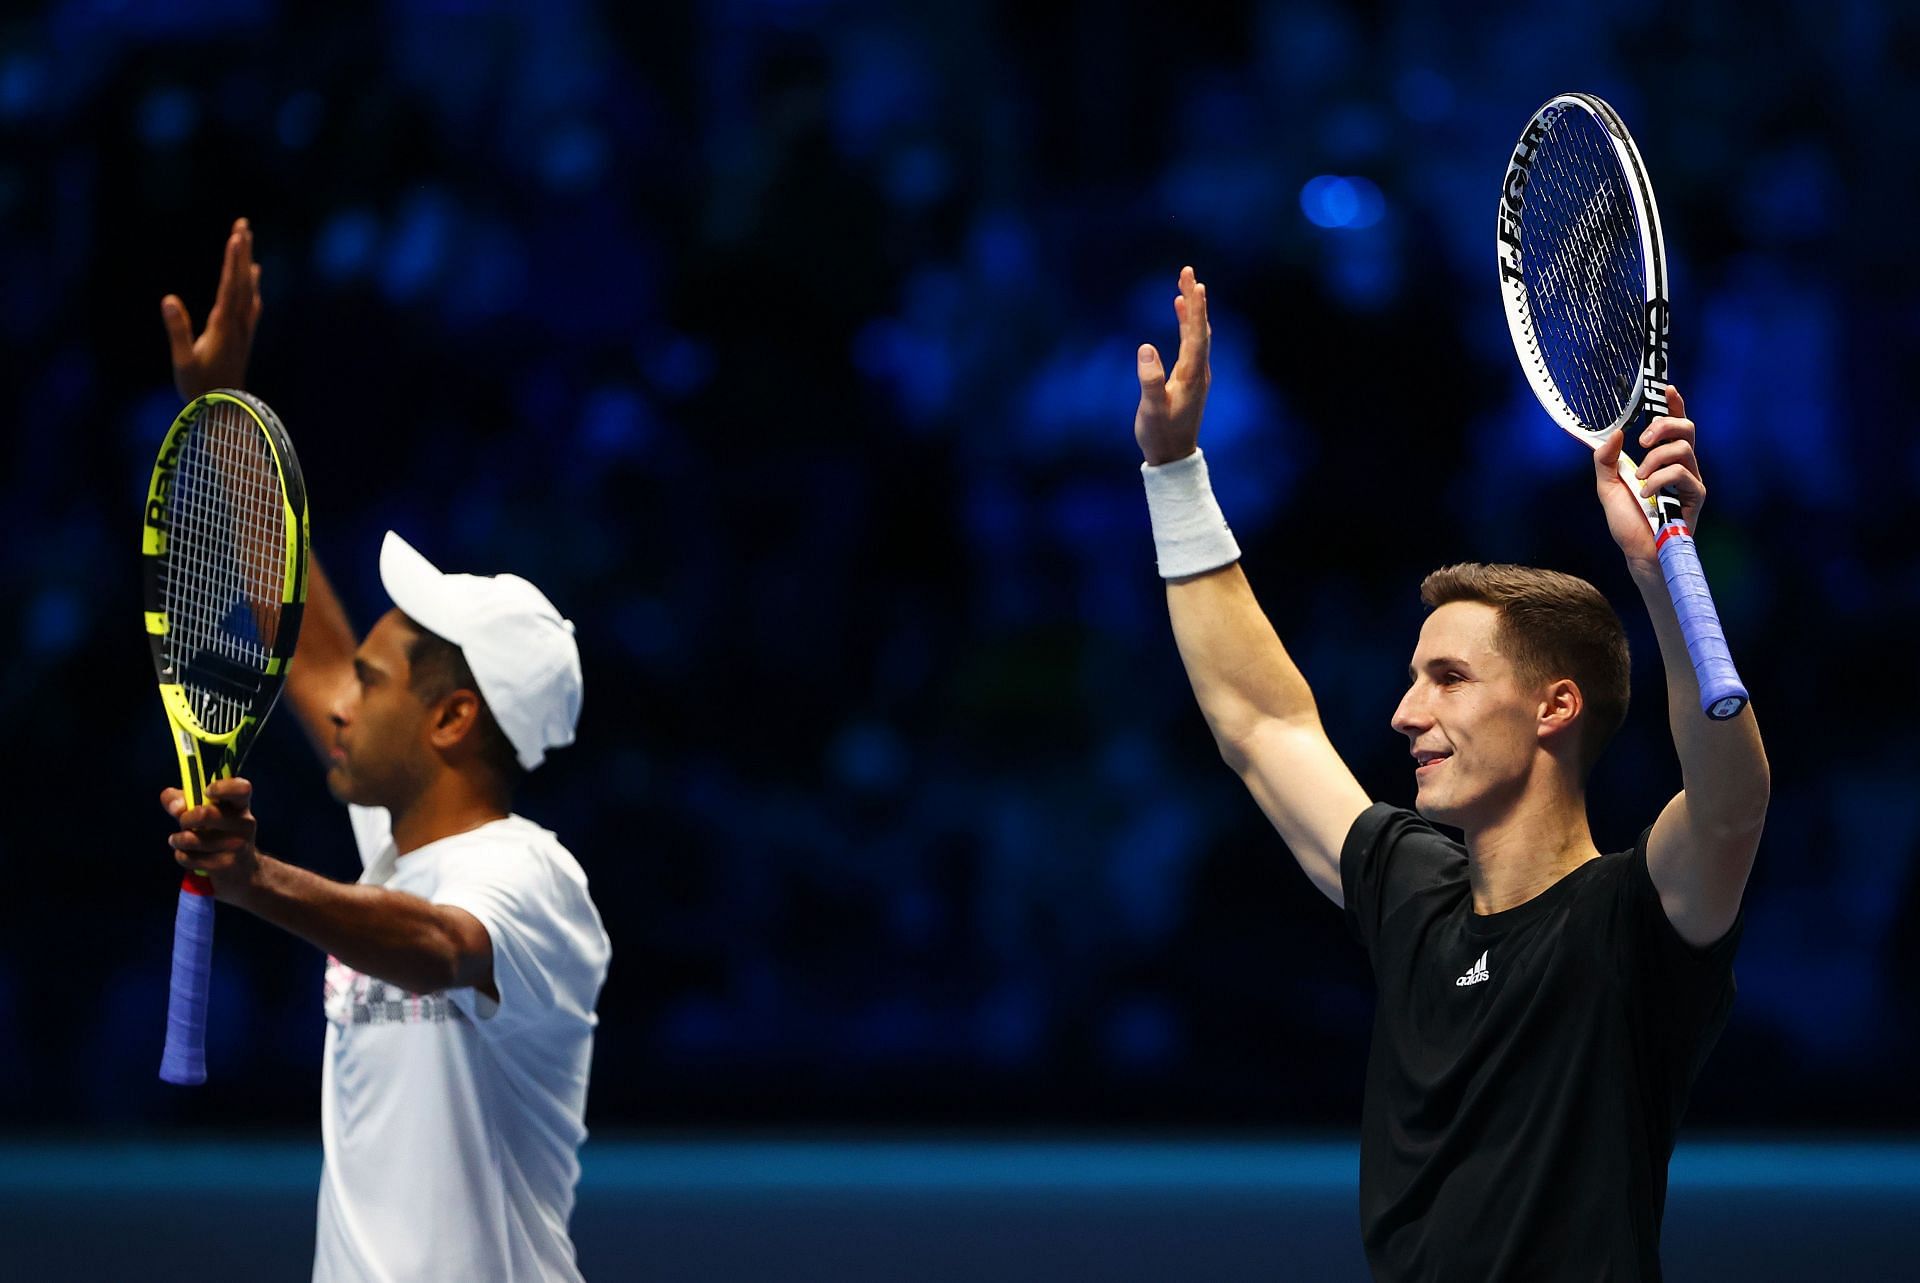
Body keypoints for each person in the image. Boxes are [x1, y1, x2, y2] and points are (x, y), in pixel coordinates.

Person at [1134, 267, 1769, 1281]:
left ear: (1555, 705)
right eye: (1411, 678)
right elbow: (1261, 719)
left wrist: (1663, 568)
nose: (1404, 712)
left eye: (1448, 678)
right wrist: (1173, 472)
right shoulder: (1411, 890)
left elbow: (1732, 802)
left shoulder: (1634, 916)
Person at [159, 219, 612, 1283]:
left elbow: (436, 947)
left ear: (453, 720)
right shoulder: (391, 841)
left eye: (375, 683)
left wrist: (254, 876)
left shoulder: (530, 879)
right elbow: (307, 646)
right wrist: (221, 419)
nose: (340, 701)